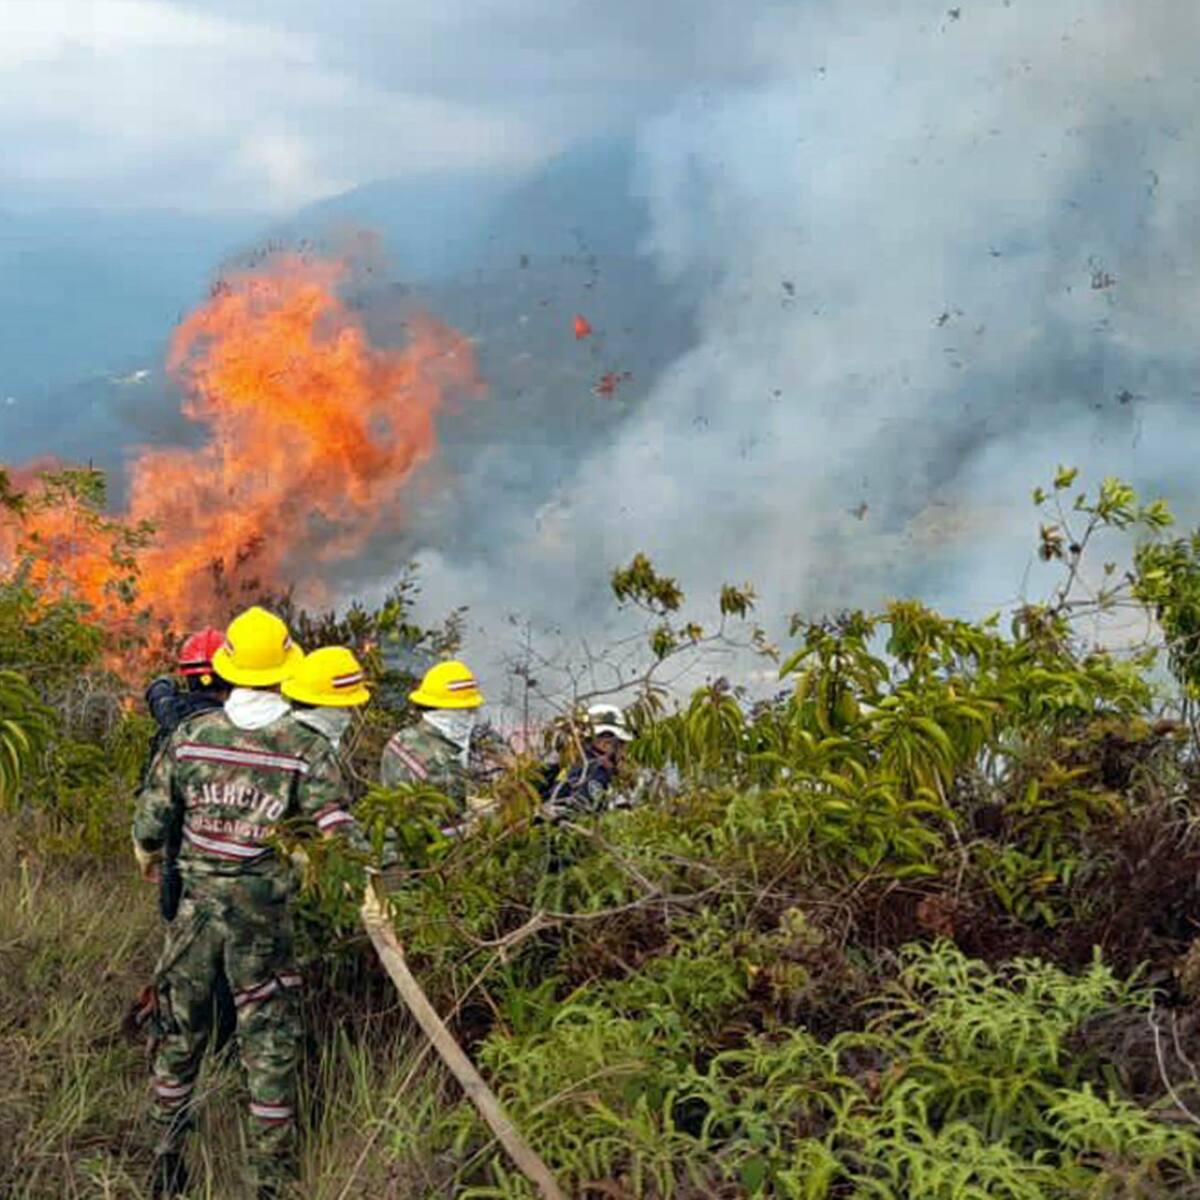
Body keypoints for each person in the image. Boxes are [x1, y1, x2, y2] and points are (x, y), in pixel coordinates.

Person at [133, 606, 371, 1199]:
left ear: (229, 668)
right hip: (262, 923)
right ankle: (269, 1180)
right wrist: (366, 883)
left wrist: (146, 851)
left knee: (180, 1033)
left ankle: (165, 1164)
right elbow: (337, 830)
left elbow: (152, 819)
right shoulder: (304, 744)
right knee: (267, 1042)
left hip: (193, 917)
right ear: (283, 669)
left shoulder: (190, 736)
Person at [379, 659, 487, 806]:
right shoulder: (446, 765)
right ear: (448, 713)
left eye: (472, 709)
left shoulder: (399, 740)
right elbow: (456, 822)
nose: (471, 715)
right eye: (466, 710)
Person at [540, 703, 635, 821]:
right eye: (621, 744)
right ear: (605, 744)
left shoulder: (571, 762)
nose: (624, 751)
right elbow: (580, 815)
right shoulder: (596, 772)